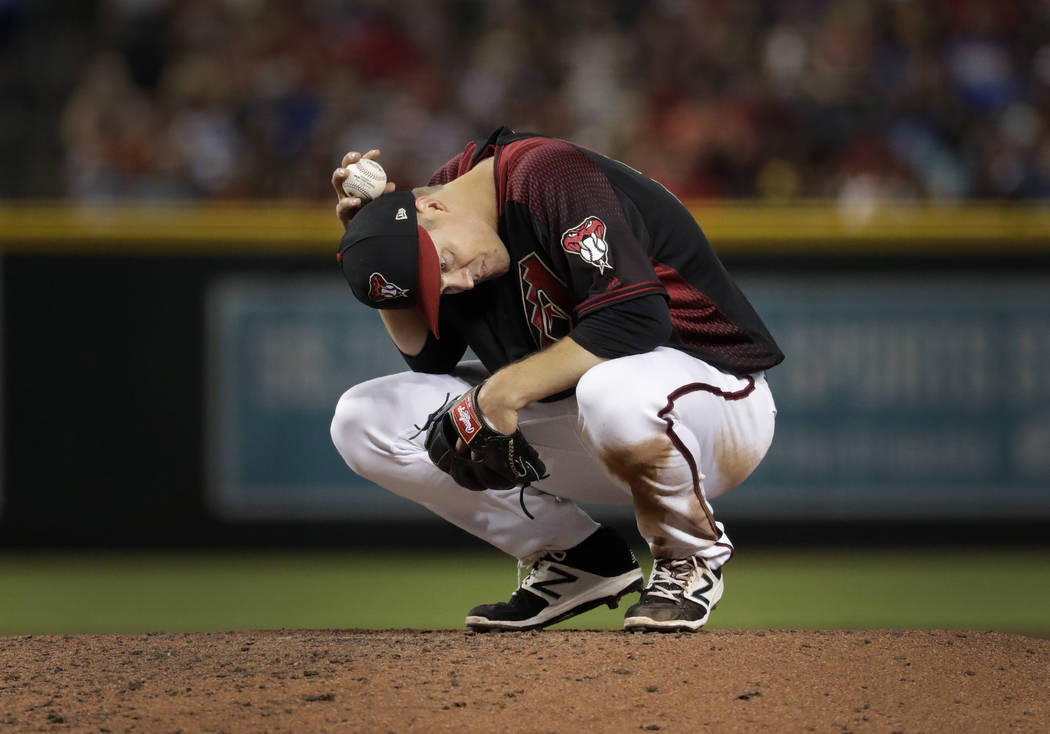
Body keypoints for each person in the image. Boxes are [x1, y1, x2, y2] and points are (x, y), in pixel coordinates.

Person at [329, 126, 782, 633]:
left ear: (434, 210)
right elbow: (433, 360)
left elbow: (635, 319)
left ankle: (688, 557)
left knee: (607, 389)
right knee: (363, 420)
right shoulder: (453, 212)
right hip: (594, 424)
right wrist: (372, 243)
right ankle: (575, 557)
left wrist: (500, 392)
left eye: (446, 267)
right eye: (439, 287)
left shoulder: (548, 173)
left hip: (710, 400)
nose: (458, 284)